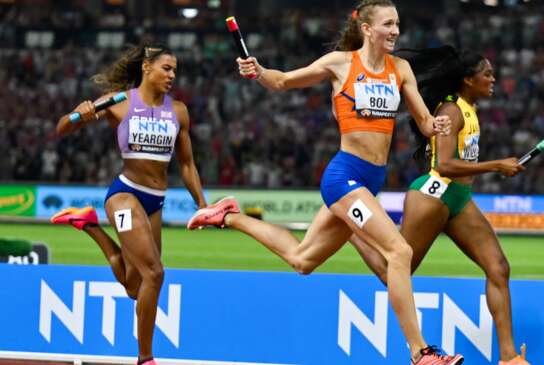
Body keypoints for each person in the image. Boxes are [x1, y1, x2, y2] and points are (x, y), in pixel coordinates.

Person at [188, 1, 463, 364]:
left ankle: (228, 216)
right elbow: (284, 81)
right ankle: (421, 352)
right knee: (399, 252)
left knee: (302, 260)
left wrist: (437, 127)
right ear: (367, 29)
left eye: (397, 23)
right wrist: (257, 71)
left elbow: (426, 123)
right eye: (388, 24)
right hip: (344, 177)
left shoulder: (402, 69)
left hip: (370, 179)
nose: (395, 30)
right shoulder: (341, 63)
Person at [348, 46, 530, 365]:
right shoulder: (451, 111)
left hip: (458, 199)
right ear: (467, 80)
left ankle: (509, 359)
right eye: (486, 73)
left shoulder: (469, 109)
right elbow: (444, 165)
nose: (493, 78)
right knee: (397, 270)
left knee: (498, 267)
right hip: (433, 195)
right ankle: (349, 228)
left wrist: (494, 167)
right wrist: (496, 165)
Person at [50, 44, 207, 365]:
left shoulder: (178, 111)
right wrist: (79, 115)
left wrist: (202, 206)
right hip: (125, 195)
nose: (172, 75)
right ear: (147, 68)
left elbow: (188, 166)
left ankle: (89, 224)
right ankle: (145, 358)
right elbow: (62, 127)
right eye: (167, 68)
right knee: (155, 274)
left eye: (175, 70)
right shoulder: (118, 103)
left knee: (136, 287)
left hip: (155, 202)